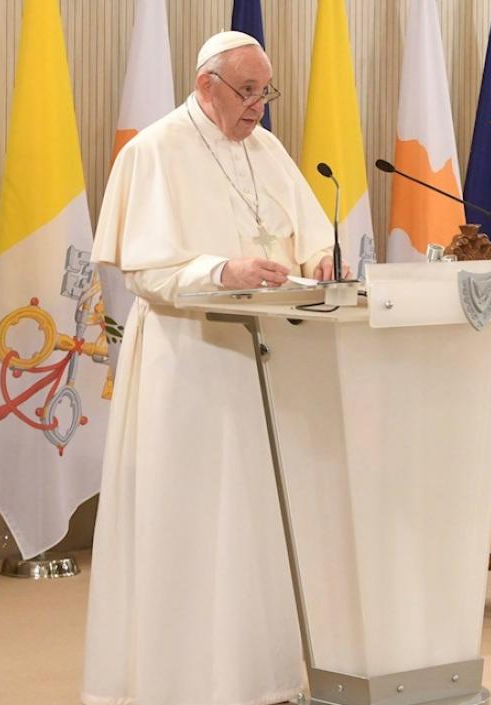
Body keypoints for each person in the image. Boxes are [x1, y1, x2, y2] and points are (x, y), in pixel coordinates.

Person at [83, 31, 346, 705]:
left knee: (258, 519)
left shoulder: (267, 147)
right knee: (193, 518)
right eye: (247, 91)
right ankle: (182, 683)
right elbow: (145, 270)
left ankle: (262, 678)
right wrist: (221, 270)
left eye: (266, 91)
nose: (259, 106)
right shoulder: (155, 150)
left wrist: (322, 260)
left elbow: (312, 233)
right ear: (207, 86)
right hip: (189, 359)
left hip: (267, 357)